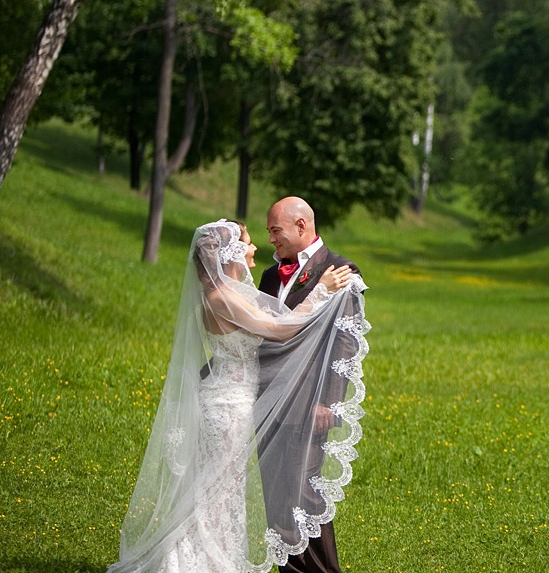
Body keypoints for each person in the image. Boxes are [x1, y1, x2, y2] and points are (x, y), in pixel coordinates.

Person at [108, 219, 368, 573]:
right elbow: (278, 329)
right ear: (230, 252)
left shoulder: (232, 292)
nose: (255, 248)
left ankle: (215, 560)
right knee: (216, 488)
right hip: (227, 404)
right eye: (247, 243)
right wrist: (320, 290)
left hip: (233, 398)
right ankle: (189, 563)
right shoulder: (222, 298)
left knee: (222, 487)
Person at [257, 196, 364, 573]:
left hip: (309, 402)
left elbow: (345, 342)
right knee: (275, 495)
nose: (270, 239)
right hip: (269, 402)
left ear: (301, 226)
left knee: (305, 496)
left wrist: (328, 402)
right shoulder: (271, 276)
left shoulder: (340, 270)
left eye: (275, 230)